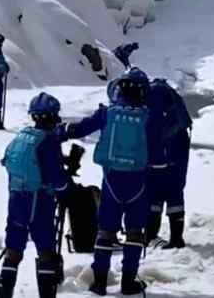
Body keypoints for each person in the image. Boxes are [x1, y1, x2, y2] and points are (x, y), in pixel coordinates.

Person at [67, 68, 150, 296]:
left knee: (105, 230)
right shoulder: (148, 117)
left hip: (111, 179)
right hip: (138, 182)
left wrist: (59, 131)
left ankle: (100, 281)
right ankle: (128, 281)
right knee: (134, 231)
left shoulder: (107, 114)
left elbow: (81, 128)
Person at [0, 92, 68, 298]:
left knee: (13, 250)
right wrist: (65, 190)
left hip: (16, 200)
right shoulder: (47, 141)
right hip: (39, 201)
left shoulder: (22, 136)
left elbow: (7, 161)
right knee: (45, 249)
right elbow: (57, 178)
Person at [145, 78, 192, 249]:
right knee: (175, 195)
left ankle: (150, 235)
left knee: (154, 196)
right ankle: (176, 237)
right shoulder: (173, 104)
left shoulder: (152, 101)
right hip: (177, 157)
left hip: (159, 160)